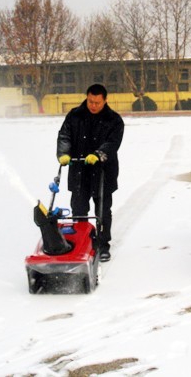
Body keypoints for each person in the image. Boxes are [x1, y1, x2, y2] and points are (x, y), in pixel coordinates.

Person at [57, 83, 124, 262]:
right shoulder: (75, 115)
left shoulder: (114, 120)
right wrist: (63, 153)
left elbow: (112, 143)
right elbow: (65, 135)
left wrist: (98, 154)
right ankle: (82, 243)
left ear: (105, 101)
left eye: (97, 102)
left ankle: (103, 245)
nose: (93, 105)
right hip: (79, 171)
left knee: (102, 211)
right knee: (78, 210)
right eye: (90, 101)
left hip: (103, 172)